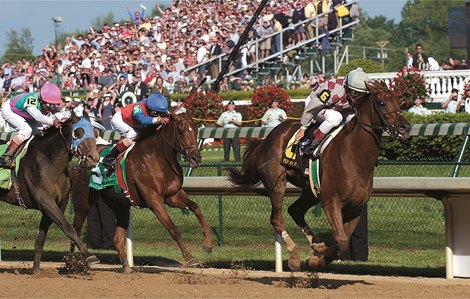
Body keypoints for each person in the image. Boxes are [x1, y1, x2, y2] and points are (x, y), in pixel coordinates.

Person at [295, 68, 370, 155]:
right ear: (347, 87)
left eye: (360, 94)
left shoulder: (357, 90)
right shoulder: (330, 90)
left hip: (337, 108)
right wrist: (303, 128)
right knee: (336, 117)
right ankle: (312, 142)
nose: (357, 97)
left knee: (356, 118)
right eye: (354, 92)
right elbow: (311, 108)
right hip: (315, 106)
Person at [101, 92, 170, 176]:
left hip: (134, 124)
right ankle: (109, 158)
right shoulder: (138, 107)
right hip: (120, 120)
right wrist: (158, 120)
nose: (159, 115)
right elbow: (142, 120)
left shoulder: (156, 107)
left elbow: (167, 115)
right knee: (132, 137)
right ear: (150, 109)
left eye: (161, 113)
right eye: (157, 113)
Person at [0, 83, 63, 168]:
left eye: (55, 104)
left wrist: (64, 119)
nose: (52, 107)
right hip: (10, 110)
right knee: (26, 130)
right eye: (49, 104)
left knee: (40, 131)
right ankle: (5, 157)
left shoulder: (46, 102)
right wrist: (53, 121)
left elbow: (59, 114)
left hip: (24, 112)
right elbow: (38, 117)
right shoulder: (31, 100)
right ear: (41, 100)